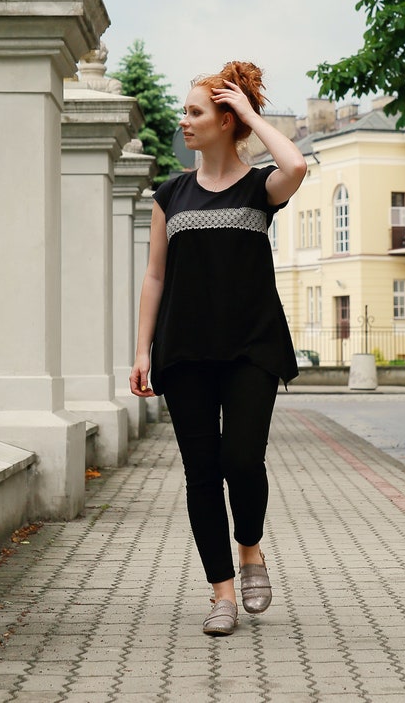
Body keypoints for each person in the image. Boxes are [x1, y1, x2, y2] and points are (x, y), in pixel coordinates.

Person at [129, 61, 307, 635]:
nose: (185, 121)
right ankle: (222, 594)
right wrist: (141, 351)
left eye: (196, 112)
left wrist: (253, 114)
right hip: (183, 351)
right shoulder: (170, 194)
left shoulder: (262, 188)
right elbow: (155, 277)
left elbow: (297, 164)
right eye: (185, 110)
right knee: (202, 474)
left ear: (227, 122)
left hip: (252, 346)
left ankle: (250, 546)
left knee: (241, 460)